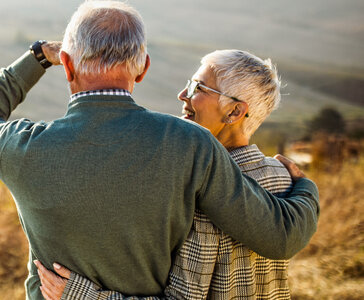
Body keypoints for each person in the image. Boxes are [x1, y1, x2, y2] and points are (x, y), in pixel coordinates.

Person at [0, 1, 319, 299]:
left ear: (67, 66)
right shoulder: (191, 143)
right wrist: (305, 187)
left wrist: (38, 57)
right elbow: (279, 235)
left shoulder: (21, 147)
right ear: (143, 69)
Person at [36, 50, 300, 299]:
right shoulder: (284, 177)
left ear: (234, 112)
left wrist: (82, 295)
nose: (182, 94)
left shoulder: (196, 192)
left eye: (198, 88)